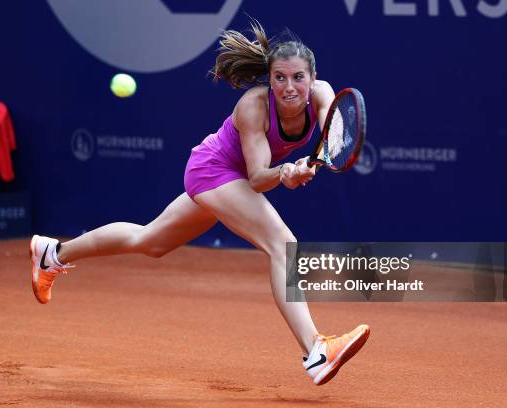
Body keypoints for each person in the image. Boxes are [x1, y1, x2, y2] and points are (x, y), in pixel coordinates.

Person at [29, 21, 369, 386]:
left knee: (150, 241)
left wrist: (307, 165)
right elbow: (257, 178)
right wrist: (286, 171)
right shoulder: (253, 107)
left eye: (298, 77)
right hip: (213, 170)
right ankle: (315, 351)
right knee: (283, 244)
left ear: (313, 77)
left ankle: (54, 254)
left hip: (229, 180)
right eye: (280, 78)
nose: (289, 87)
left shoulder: (322, 94)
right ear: (269, 80)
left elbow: (333, 139)